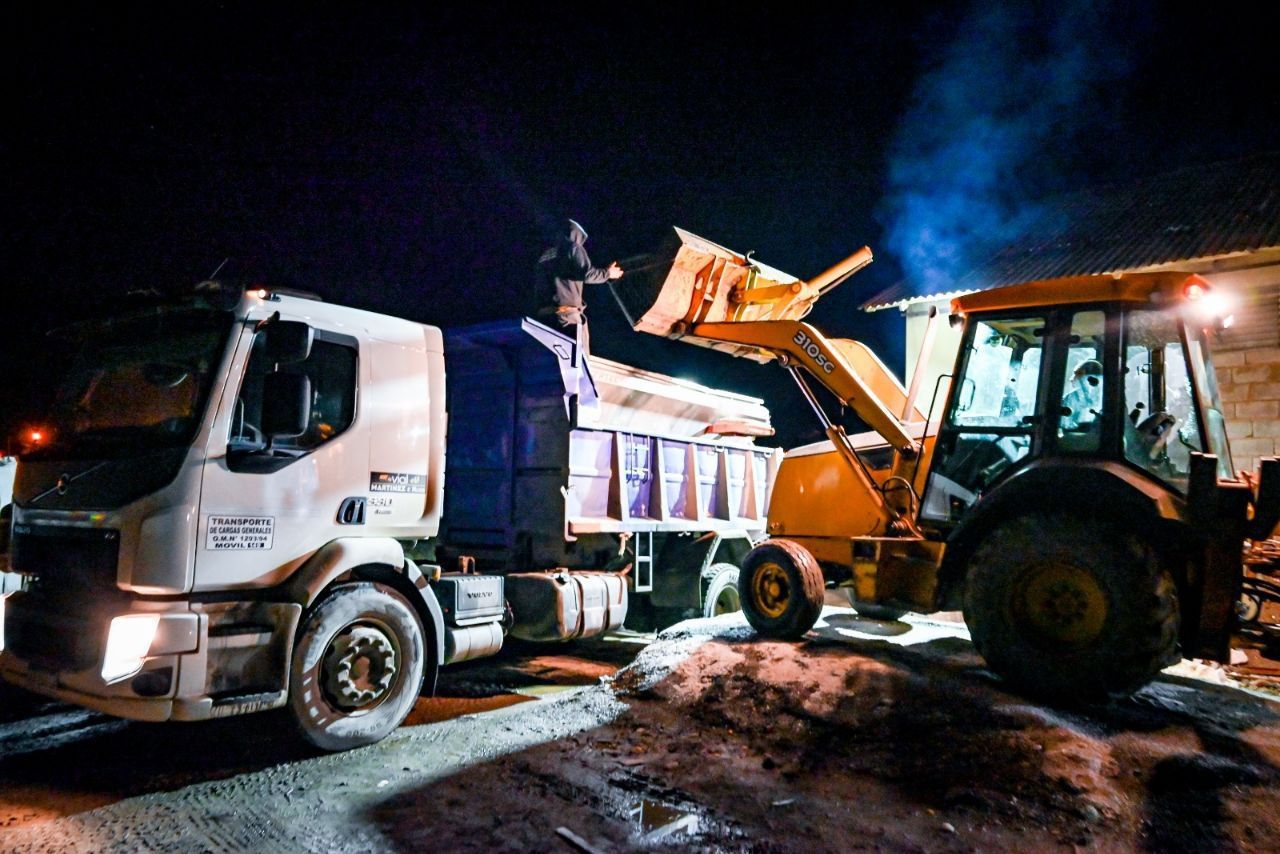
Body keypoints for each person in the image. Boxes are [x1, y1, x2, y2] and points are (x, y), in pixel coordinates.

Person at [535, 219, 623, 357]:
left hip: (544, 317)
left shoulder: (545, 255)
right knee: (578, 364)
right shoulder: (573, 248)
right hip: (566, 316)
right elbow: (587, 274)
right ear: (577, 234)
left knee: (552, 363)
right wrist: (608, 274)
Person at [1061, 359, 1103, 430]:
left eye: (1078, 374)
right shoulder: (1071, 398)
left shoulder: (1108, 397)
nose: (1072, 379)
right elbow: (1065, 425)